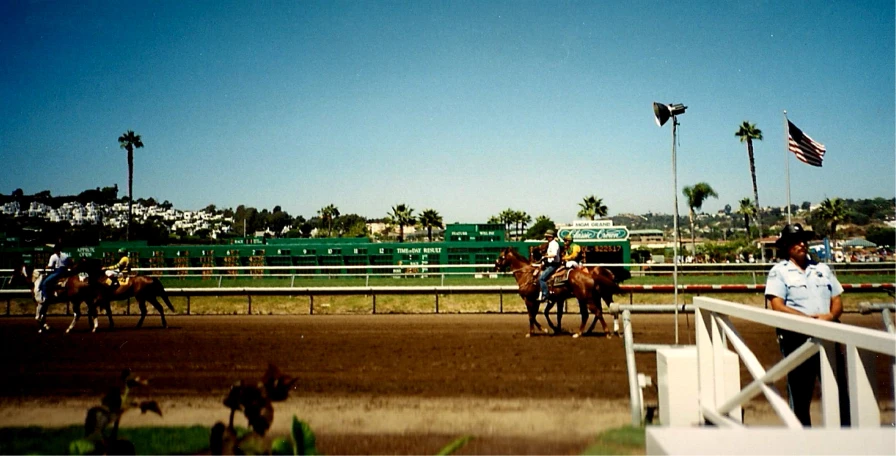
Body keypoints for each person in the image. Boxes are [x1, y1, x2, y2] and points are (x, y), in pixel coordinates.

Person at [765, 223, 849, 427]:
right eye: (796, 241)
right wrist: (806, 320)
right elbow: (777, 305)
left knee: (840, 392)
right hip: (797, 339)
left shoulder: (822, 269)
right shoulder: (779, 272)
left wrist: (829, 316)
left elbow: (837, 299)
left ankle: (846, 438)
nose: (802, 244)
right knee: (800, 394)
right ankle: (803, 441)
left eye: (804, 240)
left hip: (829, 336)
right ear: (786, 245)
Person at [538, 230, 561, 302]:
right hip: (549, 263)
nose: (546, 238)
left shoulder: (554, 244)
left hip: (554, 264)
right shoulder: (551, 244)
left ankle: (545, 294)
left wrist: (545, 257)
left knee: (541, 278)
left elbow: (554, 254)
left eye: (547, 237)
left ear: (551, 237)